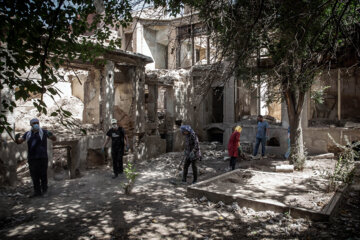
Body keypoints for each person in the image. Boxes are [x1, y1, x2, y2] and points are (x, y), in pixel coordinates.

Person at [15, 118, 56, 197]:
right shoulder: (27, 134)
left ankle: (44, 190)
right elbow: (20, 141)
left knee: (43, 175)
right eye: (34, 123)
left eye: (37, 123)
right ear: (31, 124)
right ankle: (37, 192)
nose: (36, 124)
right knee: (34, 175)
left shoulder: (44, 132)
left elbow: (54, 139)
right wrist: (16, 139)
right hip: (32, 158)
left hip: (42, 157)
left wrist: (52, 135)